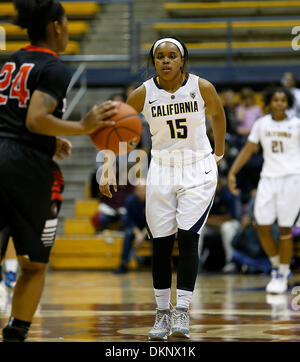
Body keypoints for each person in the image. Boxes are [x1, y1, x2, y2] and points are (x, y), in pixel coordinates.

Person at [0, 0, 117, 342]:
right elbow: (36, 118)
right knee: (34, 263)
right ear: (57, 26)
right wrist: (81, 125)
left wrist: (50, 142)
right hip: (24, 168)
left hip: (7, 150)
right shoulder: (54, 68)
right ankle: (16, 335)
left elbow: (15, 119)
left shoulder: (11, 62)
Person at [100, 36, 226, 340]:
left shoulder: (202, 87)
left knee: (187, 236)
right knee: (160, 243)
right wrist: (107, 169)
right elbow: (121, 132)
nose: (166, 61)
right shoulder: (141, 94)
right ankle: (161, 314)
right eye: (160, 57)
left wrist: (218, 154)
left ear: (182, 60)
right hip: (162, 169)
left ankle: (182, 309)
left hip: (197, 168)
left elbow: (219, 116)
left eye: (172, 56)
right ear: (154, 61)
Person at [228, 86, 300, 294]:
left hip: (292, 179)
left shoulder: (296, 124)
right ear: (269, 102)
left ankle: (281, 272)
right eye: (276, 100)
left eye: (283, 100)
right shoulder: (262, 124)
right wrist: (233, 171)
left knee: (285, 228)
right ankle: (277, 265)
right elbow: (248, 150)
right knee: (261, 225)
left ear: (288, 103)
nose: (279, 103)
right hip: (268, 179)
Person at [114, 183, 148, 274]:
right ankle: (123, 264)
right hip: (135, 228)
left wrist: (143, 234)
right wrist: (138, 234)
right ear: (135, 191)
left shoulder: (152, 201)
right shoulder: (130, 201)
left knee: (157, 236)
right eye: (140, 190)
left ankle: (156, 264)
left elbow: (153, 220)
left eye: (145, 189)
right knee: (128, 234)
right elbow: (128, 220)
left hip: (148, 228)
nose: (143, 192)